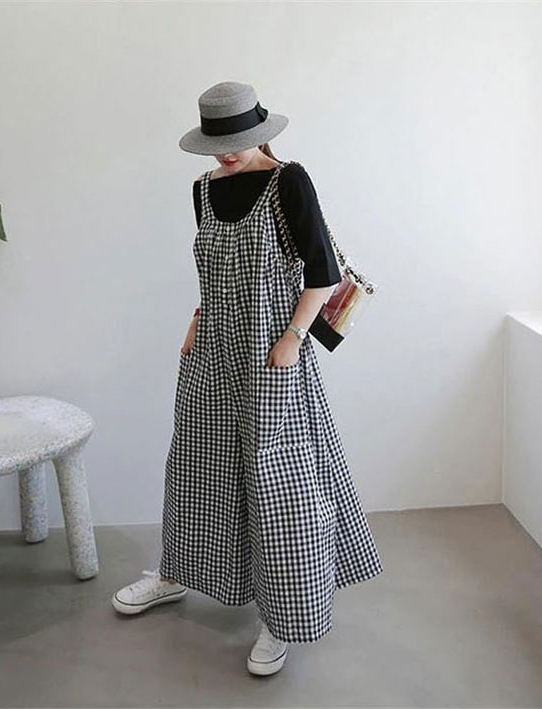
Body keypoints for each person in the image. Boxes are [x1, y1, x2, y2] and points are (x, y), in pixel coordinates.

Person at [112, 81, 383, 676]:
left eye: (236, 142)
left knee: (278, 481)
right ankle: (176, 573)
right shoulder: (203, 190)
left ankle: (281, 614)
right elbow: (214, 272)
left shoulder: (290, 182)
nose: (227, 154)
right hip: (211, 351)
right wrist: (196, 320)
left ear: (261, 133)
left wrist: (292, 339)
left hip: (270, 355)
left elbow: (322, 272)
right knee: (196, 463)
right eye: (217, 145)